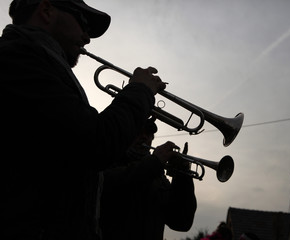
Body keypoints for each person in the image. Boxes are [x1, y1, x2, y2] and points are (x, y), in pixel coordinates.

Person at [0, 0, 166, 239]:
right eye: (84, 23)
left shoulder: (38, 62)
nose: (87, 37)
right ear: (47, 10)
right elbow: (96, 142)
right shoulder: (17, 58)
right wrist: (140, 91)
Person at [100, 118, 197, 240]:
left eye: (149, 133)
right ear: (126, 132)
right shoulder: (107, 160)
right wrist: (154, 162)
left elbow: (181, 222)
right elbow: (114, 184)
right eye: (138, 131)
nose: (144, 137)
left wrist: (183, 176)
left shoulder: (159, 177)